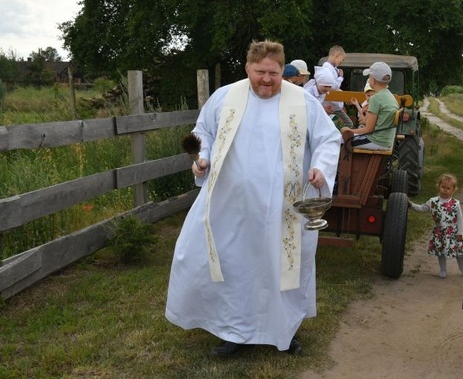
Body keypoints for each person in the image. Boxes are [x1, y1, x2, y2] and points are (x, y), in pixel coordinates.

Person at [165, 40, 342, 357]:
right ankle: (234, 332)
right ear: (247, 68)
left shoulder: (302, 101)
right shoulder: (225, 98)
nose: (266, 79)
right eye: (260, 72)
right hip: (232, 206)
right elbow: (203, 131)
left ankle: (284, 332)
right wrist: (202, 157)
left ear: (281, 70)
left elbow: (329, 138)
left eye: (273, 73)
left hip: (282, 208)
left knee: (280, 268)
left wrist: (320, 168)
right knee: (237, 267)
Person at [408, 174, 463, 279]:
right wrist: (411, 205)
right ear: (439, 186)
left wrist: (460, 233)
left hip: (453, 231)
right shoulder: (433, 201)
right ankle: (443, 269)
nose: (445, 190)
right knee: (441, 252)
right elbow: (422, 208)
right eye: (443, 187)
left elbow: (460, 219)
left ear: (453, 190)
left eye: (448, 188)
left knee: (459, 252)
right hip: (440, 232)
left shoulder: (455, 203)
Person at [341, 62, 398, 150]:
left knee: (339, 141)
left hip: (376, 141)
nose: (368, 78)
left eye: (369, 76)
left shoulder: (375, 98)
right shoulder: (391, 96)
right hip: (386, 141)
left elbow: (368, 130)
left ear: (373, 80)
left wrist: (349, 131)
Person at [319, 45, 353, 128]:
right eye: (342, 59)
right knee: (349, 124)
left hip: (335, 104)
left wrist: (344, 98)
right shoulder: (327, 68)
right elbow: (332, 86)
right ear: (337, 56)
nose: (342, 62)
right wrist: (340, 77)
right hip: (331, 105)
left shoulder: (332, 69)